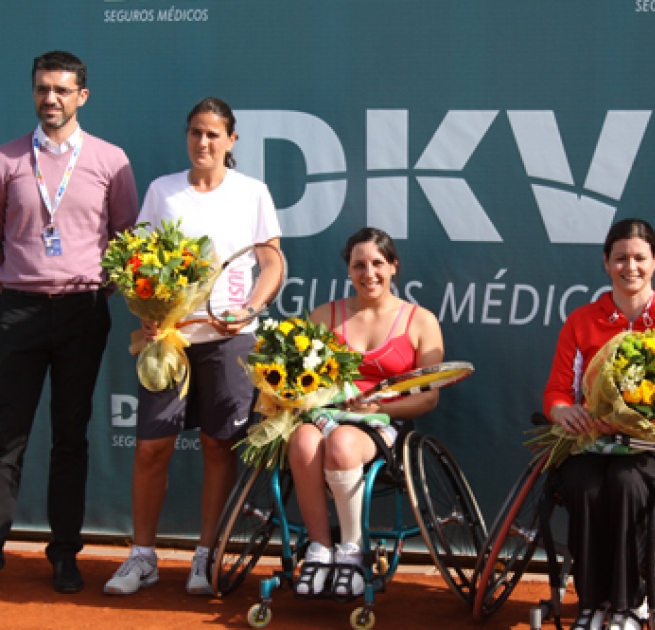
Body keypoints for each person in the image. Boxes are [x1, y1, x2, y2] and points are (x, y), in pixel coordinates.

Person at [103, 97, 283, 596]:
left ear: (231, 140)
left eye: (212, 134)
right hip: (172, 341)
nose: (202, 142)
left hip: (231, 341)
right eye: (195, 133)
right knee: (150, 448)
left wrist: (249, 309)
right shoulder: (164, 191)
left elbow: (272, 263)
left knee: (218, 445)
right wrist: (150, 315)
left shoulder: (252, 193)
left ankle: (207, 554)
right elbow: (139, 264)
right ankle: (142, 556)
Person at [0, 51, 139, 594]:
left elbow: (126, 239)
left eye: (61, 90)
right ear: (33, 93)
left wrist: (100, 286)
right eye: (42, 89)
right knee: (5, 441)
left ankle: (64, 555)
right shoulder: (8, 159)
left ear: (82, 96)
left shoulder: (110, 160)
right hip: (17, 311)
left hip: (83, 312)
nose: (50, 99)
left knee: (70, 439)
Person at [543, 219, 655, 630]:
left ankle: (632, 604)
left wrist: (651, 423)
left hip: (653, 448)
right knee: (583, 485)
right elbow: (557, 392)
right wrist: (563, 412)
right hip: (592, 442)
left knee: (628, 484)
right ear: (605, 262)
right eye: (620, 258)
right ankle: (591, 604)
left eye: (639, 258)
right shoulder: (583, 320)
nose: (629, 267)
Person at [288, 227, 444, 599]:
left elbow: (428, 398)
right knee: (302, 440)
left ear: (393, 267)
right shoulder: (324, 315)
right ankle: (320, 549)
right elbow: (300, 381)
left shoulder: (421, 321)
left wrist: (378, 406)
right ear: (348, 271)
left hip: (387, 424)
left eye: (377, 263)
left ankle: (353, 551)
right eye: (359, 265)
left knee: (341, 444)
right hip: (326, 416)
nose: (368, 272)